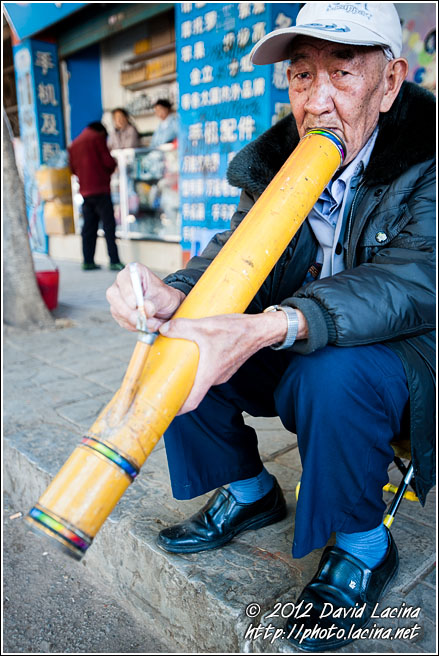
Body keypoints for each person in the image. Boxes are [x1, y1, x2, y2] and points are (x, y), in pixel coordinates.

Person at [106, 3, 435, 651]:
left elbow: (415, 277)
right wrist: (171, 294)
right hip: (301, 338)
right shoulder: (278, 163)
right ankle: (251, 491)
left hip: (402, 362)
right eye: (301, 76)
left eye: (341, 75)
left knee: (329, 369)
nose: (317, 99)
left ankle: (363, 544)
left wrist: (271, 326)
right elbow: (234, 252)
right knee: (182, 341)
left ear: (390, 81)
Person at [69, 122, 123, 271]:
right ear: (101, 132)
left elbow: (72, 168)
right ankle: (114, 261)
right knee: (108, 226)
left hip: (85, 191)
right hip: (101, 190)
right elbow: (108, 162)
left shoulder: (75, 144)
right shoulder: (97, 139)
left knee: (88, 228)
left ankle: (87, 261)